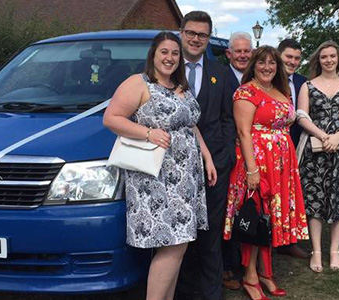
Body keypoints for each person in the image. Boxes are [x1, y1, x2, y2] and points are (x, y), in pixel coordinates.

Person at [103, 31, 217, 300]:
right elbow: (111, 118)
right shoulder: (139, 83)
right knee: (171, 243)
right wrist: (148, 133)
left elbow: (190, 125)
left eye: (175, 53)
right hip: (157, 176)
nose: (170, 58)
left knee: (181, 242)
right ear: (153, 54)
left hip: (186, 176)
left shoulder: (181, 86)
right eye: (164, 52)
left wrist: (207, 157)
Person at [224, 46, 309, 300]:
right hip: (257, 163)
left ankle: (265, 272)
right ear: (254, 64)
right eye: (262, 62)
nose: (267, 67)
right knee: (255, 217)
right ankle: (250, 277)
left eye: (272, 63)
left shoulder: (281, 91)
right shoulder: (246, 91)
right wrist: (252, 170)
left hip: (281, 164)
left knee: (271, 218)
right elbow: (243, 133)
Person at [176, 11, 236, 300]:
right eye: (191, 32)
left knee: (211, 232)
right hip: (173, 167)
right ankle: (183, 290)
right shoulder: (165, 68)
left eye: (202, 34)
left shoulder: (221, 73)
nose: (196, 39)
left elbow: (228, 118)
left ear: (208, 38)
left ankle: (213, 293)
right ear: (181, 33)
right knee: (179, 233)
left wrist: (224, 157)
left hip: (215, 166)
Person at [295, 40, 339, 272]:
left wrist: (338, 135)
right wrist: (324, 136)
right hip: (315, 151)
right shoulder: (308, 86)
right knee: (315, 201)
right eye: (324, 57)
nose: (329, 60)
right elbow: (301, 115)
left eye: (333, 56)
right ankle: (317, 251)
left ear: (338, 59)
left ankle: (335, 250)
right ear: (318, 60)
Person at [222, 31, 253, 291]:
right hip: (230, 154)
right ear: (228, 54)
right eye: (238, 51)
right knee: (229, 211)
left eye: (247, 51)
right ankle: (228, 266)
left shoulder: (259, 78)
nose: (243, 55)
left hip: (255, 154)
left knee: (252, 208)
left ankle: (251, 264)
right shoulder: (220, 77)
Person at [276, 38, 309, 259]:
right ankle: (270, 238)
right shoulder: (268, 79)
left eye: (297, 58)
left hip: (298, 143)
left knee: (294, 195)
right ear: (280, 56)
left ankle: (290, 241)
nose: (293, 61)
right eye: (288, 56)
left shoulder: (303, 81)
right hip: (274, 145)